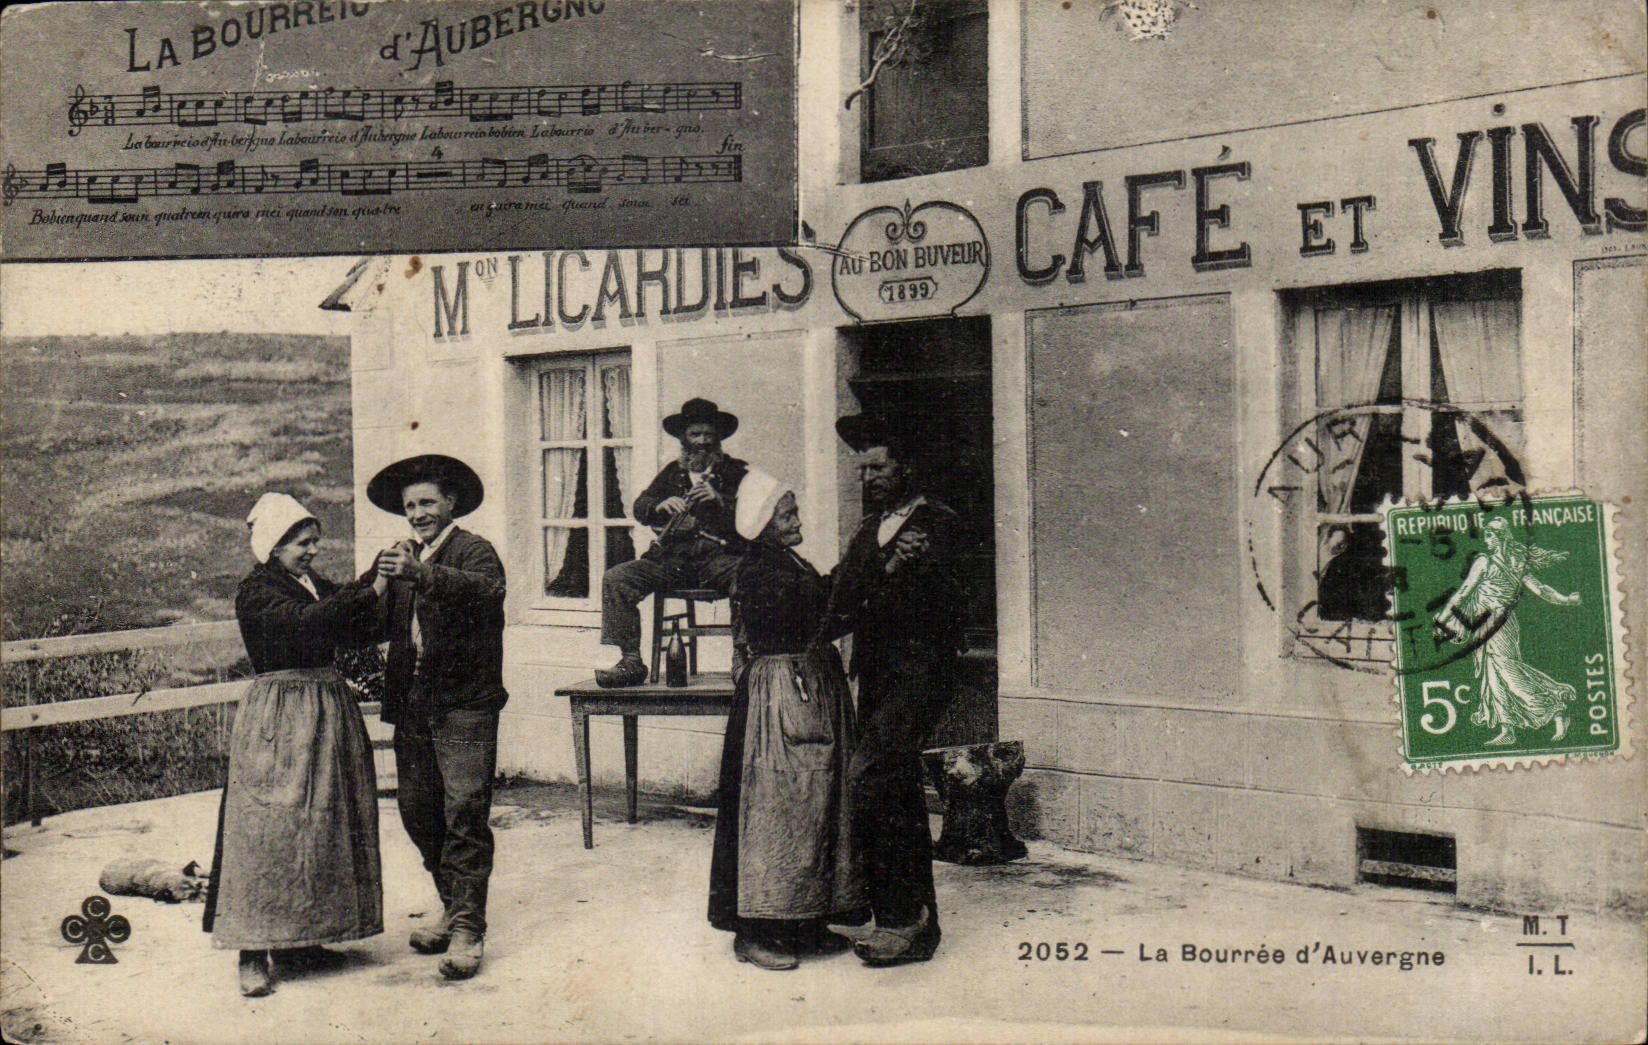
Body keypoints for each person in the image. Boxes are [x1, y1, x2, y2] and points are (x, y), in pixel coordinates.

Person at [205, 493, 388, 997]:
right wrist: (372, 583)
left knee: (324, 822)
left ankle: (305, 939)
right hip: (281, 713)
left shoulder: (311, 583)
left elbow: (358, 626)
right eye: (302, 543)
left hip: (327, 706)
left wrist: (390, 585)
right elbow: (313, 622)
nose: (311, 550)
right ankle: (252, 951)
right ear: (275, 543)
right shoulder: (258, 591)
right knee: (270, 828)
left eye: (314, 542)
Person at [822, 414, 967, 967]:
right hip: (878, 677)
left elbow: (916, 604)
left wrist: (868, 589)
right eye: (863, 470)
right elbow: (839, 597)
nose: (869, 478)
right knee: (895, 788)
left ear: (908, 466)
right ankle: (909, 921)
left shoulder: (940, 524)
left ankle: (905, 918)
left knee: (874, 776)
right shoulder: (869, 531)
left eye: (878, 467)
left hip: (921, 674)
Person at [706, 472, 866, 970]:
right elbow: (819, 611)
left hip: (809, 685)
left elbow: (823, 597)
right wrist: (865, 562)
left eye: (794, 511)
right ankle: (756, 931)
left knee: (816, 804)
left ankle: (807, 922)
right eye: (787, 514)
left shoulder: (788, 560)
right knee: (777, 808)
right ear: (763, 525)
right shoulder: (758, 571)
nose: (797, 521)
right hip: (780, 699)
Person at [366, 453, 508, 980]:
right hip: (414, 707)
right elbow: (368, 619)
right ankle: (452, 904)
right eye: (410, 506)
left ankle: (469, 928)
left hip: (466, 704)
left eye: (428, 502)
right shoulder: (402, 558)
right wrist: (379, 583)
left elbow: (487, 594)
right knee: (416, 810)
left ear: (451, 503)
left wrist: (421, 573)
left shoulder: (475, 552)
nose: (419, 513)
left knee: (465, 812)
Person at [595, 397, 750, 688]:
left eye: (708, 434)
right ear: (684, 439)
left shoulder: (736, 473)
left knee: (749, 575)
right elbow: (641, 507)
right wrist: (660, 505)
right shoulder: (672, 472)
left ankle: (742, 657)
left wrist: (721, 502)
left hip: (719, 561)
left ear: (718, 438)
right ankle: (630, 661)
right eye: (695, 434)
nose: (702, 441)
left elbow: (756, 517)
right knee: (617, 578)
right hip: (673, 562)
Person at [1433, 516, 1582, 746]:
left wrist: (1566, 600)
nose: (1487, 540)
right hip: (1486, 623)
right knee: (1493, 675)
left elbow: (1464, 592)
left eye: (1490, 536)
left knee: (1507, 670)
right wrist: (1567, 600)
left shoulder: (1496, 562)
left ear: (1500, 537)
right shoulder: (1503, 562)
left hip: (1500, 622)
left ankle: (1555, 708)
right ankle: (1507, 729)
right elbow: (1465, 592)